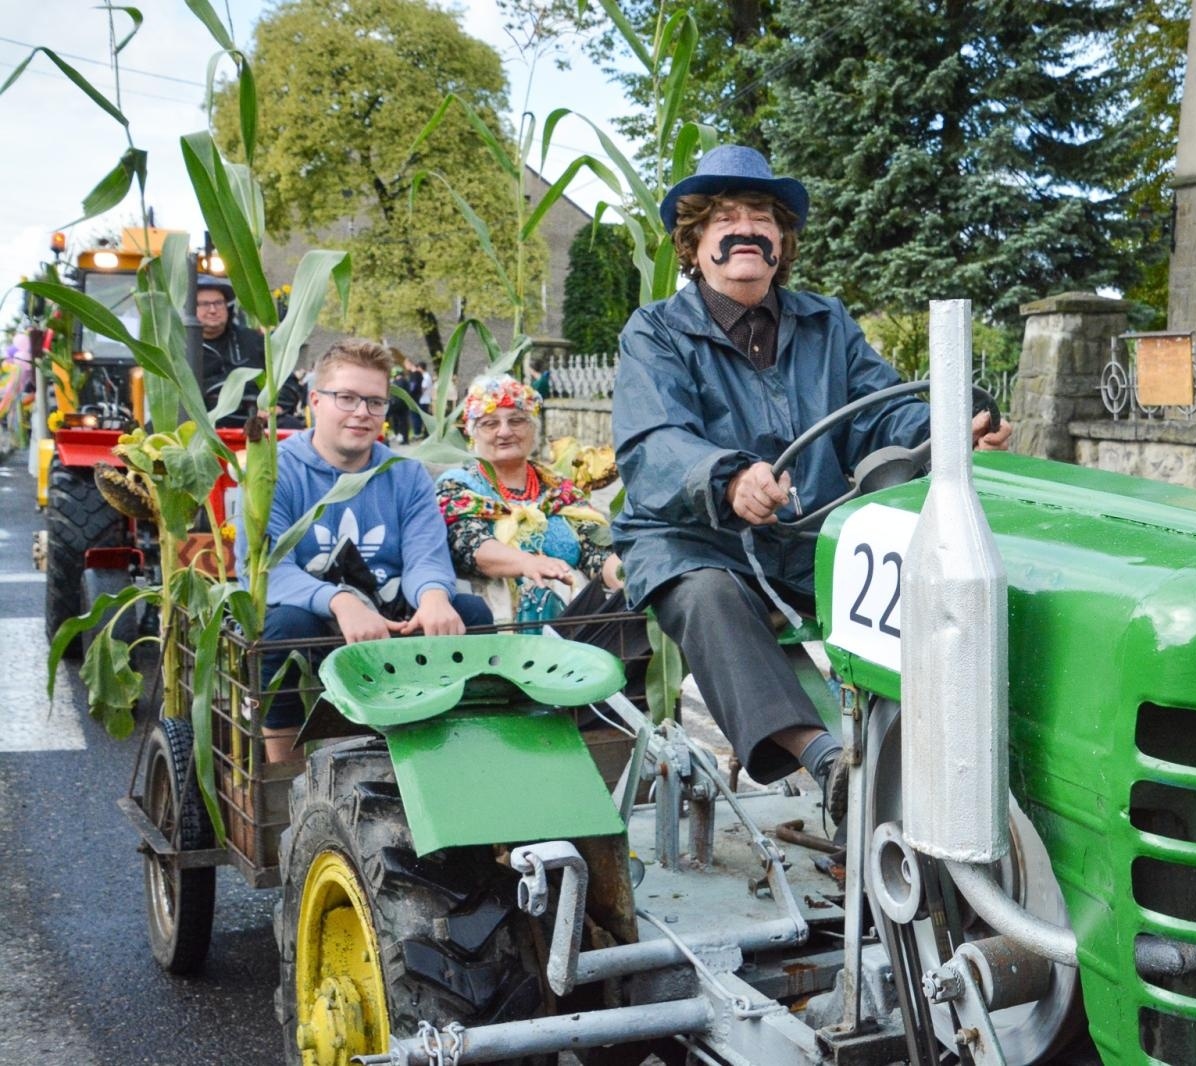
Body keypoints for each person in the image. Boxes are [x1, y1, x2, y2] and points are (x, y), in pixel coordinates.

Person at [611, 145, 1011, 818]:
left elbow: (879, 413)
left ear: (782, 243)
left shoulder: (826, 323)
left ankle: (947, 755)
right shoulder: (655, 332)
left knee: (929, 572)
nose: (745, 229)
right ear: (694, 246)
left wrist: (950, 428)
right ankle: (827, 762)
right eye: (724, 218)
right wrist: (729, 479)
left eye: (762, 217)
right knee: (707, 594)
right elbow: (653, 443)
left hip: (809, 544)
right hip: (694, 543)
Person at [245, 338, 494, 762]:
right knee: (283, 629)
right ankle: (282, 772)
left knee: (469, 613)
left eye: (375, 402)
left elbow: (425, 554)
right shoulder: (276, 471)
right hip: (314, 617)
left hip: (391, 616)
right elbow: (270, 569)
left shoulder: (406, 473)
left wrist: (433, 597)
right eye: (346, 398)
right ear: (316, 401)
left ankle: (454, 756)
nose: (362, 412)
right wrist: (340, 601)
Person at [436, 373, 622, 625]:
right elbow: (470, 545)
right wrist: (529, 563)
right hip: (493, 623)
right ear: (472, 434)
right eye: (490, 424)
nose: (504, 432)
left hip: (574, 619)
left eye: (517, 420)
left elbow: (597, 549)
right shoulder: (457, 486)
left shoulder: (559, 489)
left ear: (533, 428)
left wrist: (626, 577)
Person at [196, 276, 302, 427]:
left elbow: (287, 380)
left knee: (293, 426)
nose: (213, 310)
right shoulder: (182, 349)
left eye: (218, 303)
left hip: (257, 421)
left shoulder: (254, 341)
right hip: (203, 424)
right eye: (205, 304)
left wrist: (275, 406)